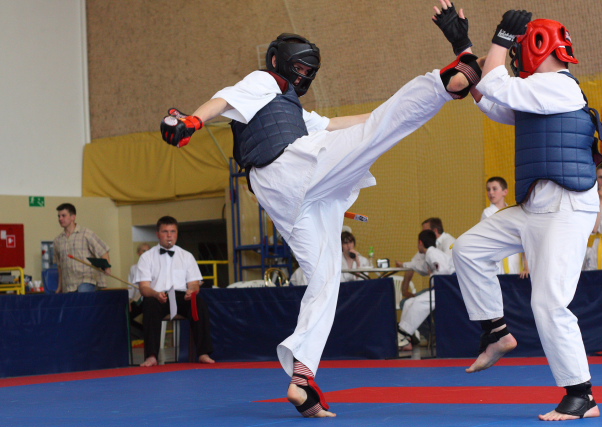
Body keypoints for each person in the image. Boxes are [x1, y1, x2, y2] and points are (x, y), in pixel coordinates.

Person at [160, 25, 481, 417]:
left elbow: (345, 124)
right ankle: (446, 82)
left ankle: (302, 378)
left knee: (327, 278)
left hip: (289, 195)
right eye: (299, 68)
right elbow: (222, 100)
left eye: (307, 71)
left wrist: (383, 115)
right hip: (288, 169)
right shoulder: (263, 81)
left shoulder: (295, 111)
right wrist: (193, 121)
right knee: (377, 132)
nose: (303, 75)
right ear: (278, 61)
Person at [438, 3, 602, 420]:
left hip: (566, 209)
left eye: (517, 49)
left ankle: (581, 395)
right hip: (536, 207)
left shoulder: (559, 87)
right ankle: (496, 332)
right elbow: (487, 98)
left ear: (534, 48)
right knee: (468, 250)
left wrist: (500, 39)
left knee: (549, 303)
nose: (514, 58)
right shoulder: (536, 93)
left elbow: (495, 82)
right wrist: (462, 45)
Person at [135, 216, 215, 367]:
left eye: (173, 231)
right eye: (165, 232)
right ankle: (151, 356)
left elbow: (194, 284)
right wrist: (156, 294)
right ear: (158, 234)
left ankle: (204, 353)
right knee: (149, 304)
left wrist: (191, 291)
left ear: (177, 234)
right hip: (158, 296)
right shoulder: (146, 257)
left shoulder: (187, 256)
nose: (169, 235)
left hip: (181, 296)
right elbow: (144, 288)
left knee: (199, 303)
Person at [397, 229, 454, 348]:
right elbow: (419, 267)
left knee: (418, 302)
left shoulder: (432, 253)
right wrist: (404, 265)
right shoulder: (431, 254)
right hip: (442, 287)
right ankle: (405, 338)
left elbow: (443, 270)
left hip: (447, 288)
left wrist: (434, 279)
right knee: (408, 303)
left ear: (420, 243)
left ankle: (403, 335)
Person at [53, 203, 111, 293]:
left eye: (63, 216)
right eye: (59, 216)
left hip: (87, 280)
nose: (60, 219)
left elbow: (103, 251)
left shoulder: (86, 234)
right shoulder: (58, 240)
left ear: (73, 217)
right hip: (69, 285)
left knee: (82, 294)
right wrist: (60, 286)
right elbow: (60, 266)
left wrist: (107, 267)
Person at [395, 217, 455, 299]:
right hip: (437, 287)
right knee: (405, 302)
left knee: (411, 303)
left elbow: (446, 271)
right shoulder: (427, 247)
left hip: (449, 289)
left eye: (425, 230)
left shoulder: (449, 242)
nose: (422, 233)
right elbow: (413, 264)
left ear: (435, 231)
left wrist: (405, 265)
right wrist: (404, 291)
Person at [481, 177, 529, 278]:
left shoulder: (514, 212)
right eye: (488, 189)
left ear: (505, 192)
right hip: (497, 263)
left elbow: (524, 239)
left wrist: (526, 267)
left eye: (494, 189)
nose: (491, 192)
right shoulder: (488, 213)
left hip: (516, 263)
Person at [128, 243, 151, 339]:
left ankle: (148, 337)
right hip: (138, 299)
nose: (146, 253)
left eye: (148, 251)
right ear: (138, 253)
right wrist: (129, 301)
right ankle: (142, 334)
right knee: (127, 316)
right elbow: (131, 286)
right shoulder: (134, 268)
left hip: (150, 298)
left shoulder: (154, 266)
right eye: (144, 251)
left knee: (148, 318)